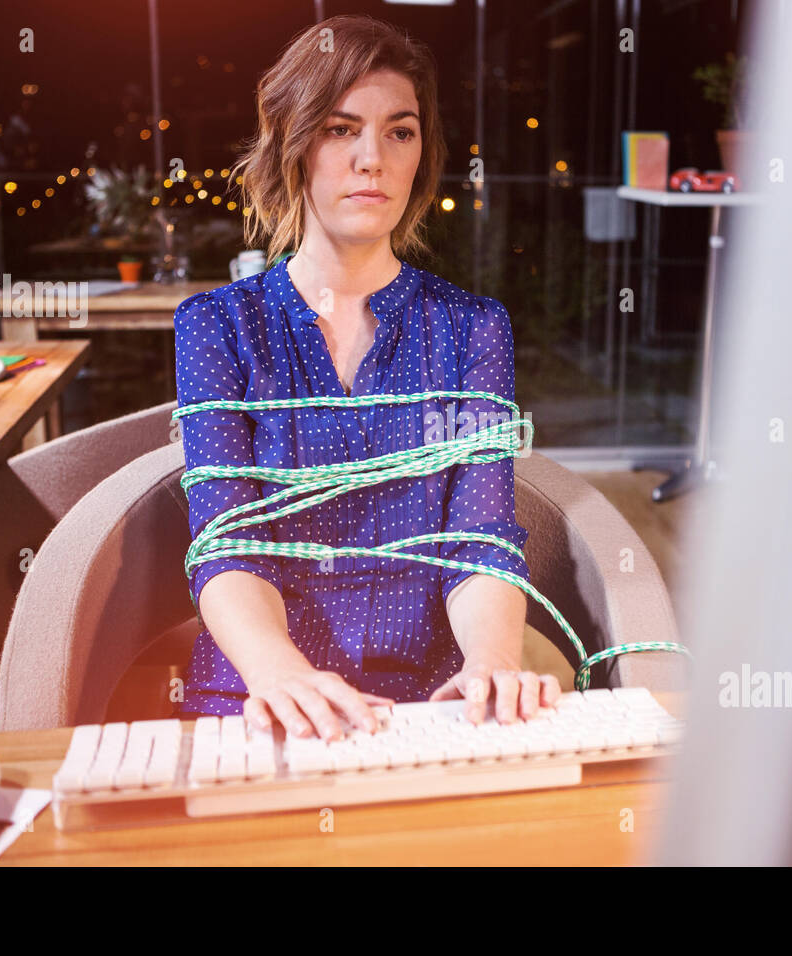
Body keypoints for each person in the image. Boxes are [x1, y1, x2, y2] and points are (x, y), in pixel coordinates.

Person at [172, 14, 562, 742]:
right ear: (292, 144)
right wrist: (279, 671)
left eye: (399, 131)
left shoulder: (473, 328)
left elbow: (480, 537)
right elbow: (226, 538)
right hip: (263, 696)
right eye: (340, 129)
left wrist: (492, 661)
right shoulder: (218, 327)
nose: (372, 159)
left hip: (431, 702)